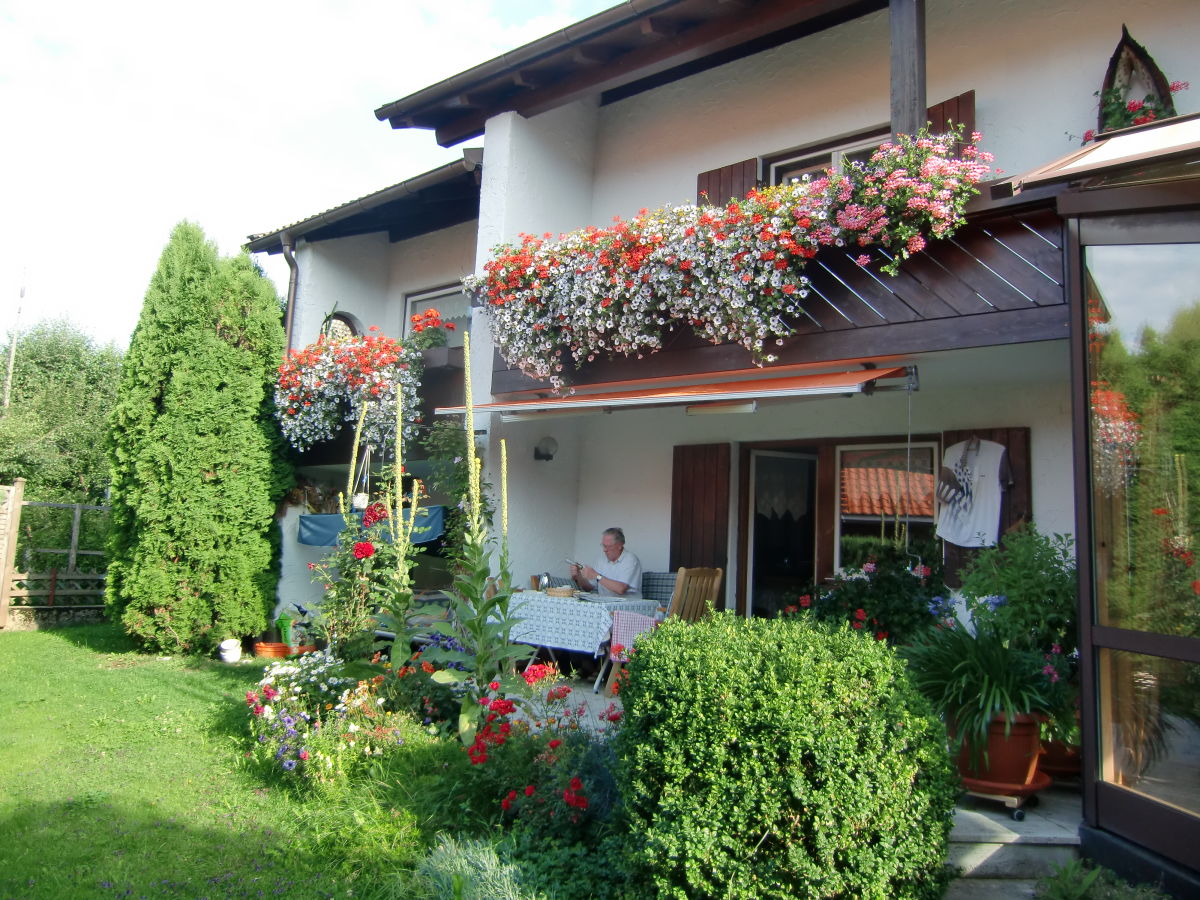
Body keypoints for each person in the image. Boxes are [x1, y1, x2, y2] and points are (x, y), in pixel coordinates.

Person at [570, 527, 642, 597]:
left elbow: (621, 589)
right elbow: (588, 588)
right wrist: (579, 576)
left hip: (627, 606)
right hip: (605, 605)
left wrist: (596, 576)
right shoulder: (601, 560)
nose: (604, 550)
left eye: (608, 546)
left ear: (620, 545)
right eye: (603, 546)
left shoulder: (630, 559)